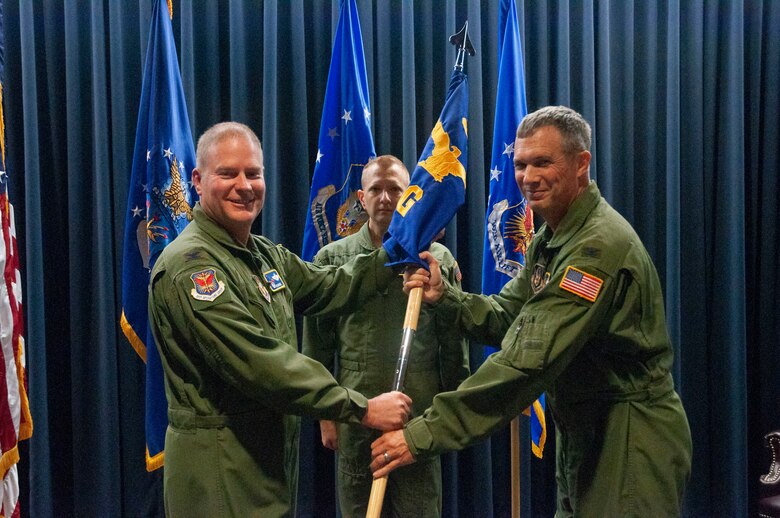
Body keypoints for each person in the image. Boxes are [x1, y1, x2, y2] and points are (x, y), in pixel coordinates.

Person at [369, 106, 692, 517]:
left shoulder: (597, 248)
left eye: (542, 162)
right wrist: (445, 297)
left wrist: (421, 435)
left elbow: (526, 362)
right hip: (586, 432)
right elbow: (508, 318)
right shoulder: (550, 238)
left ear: (581, 164)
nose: (527, 177)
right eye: (520, 164)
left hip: (630, 437)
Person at [147, 122, 412, 517]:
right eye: (228, 173)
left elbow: (329, 285)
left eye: (253, 173)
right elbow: (262, 364)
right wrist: (361, 408)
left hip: (262, 463)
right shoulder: (192, 268)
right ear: (197, 182)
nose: (244, 185)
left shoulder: (260, 254)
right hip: (218, 471)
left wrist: (400, 252)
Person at [302, 155, 470, 517]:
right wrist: (326, 416)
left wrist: (456, 407)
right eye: (375, 189)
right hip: (356, 417)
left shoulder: (434, 258)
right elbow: (317, 343)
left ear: (409, 195)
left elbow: (453, 337)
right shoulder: (333, 259)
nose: (385, 198)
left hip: (419, 419)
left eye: (395, 189)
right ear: (361, 198)